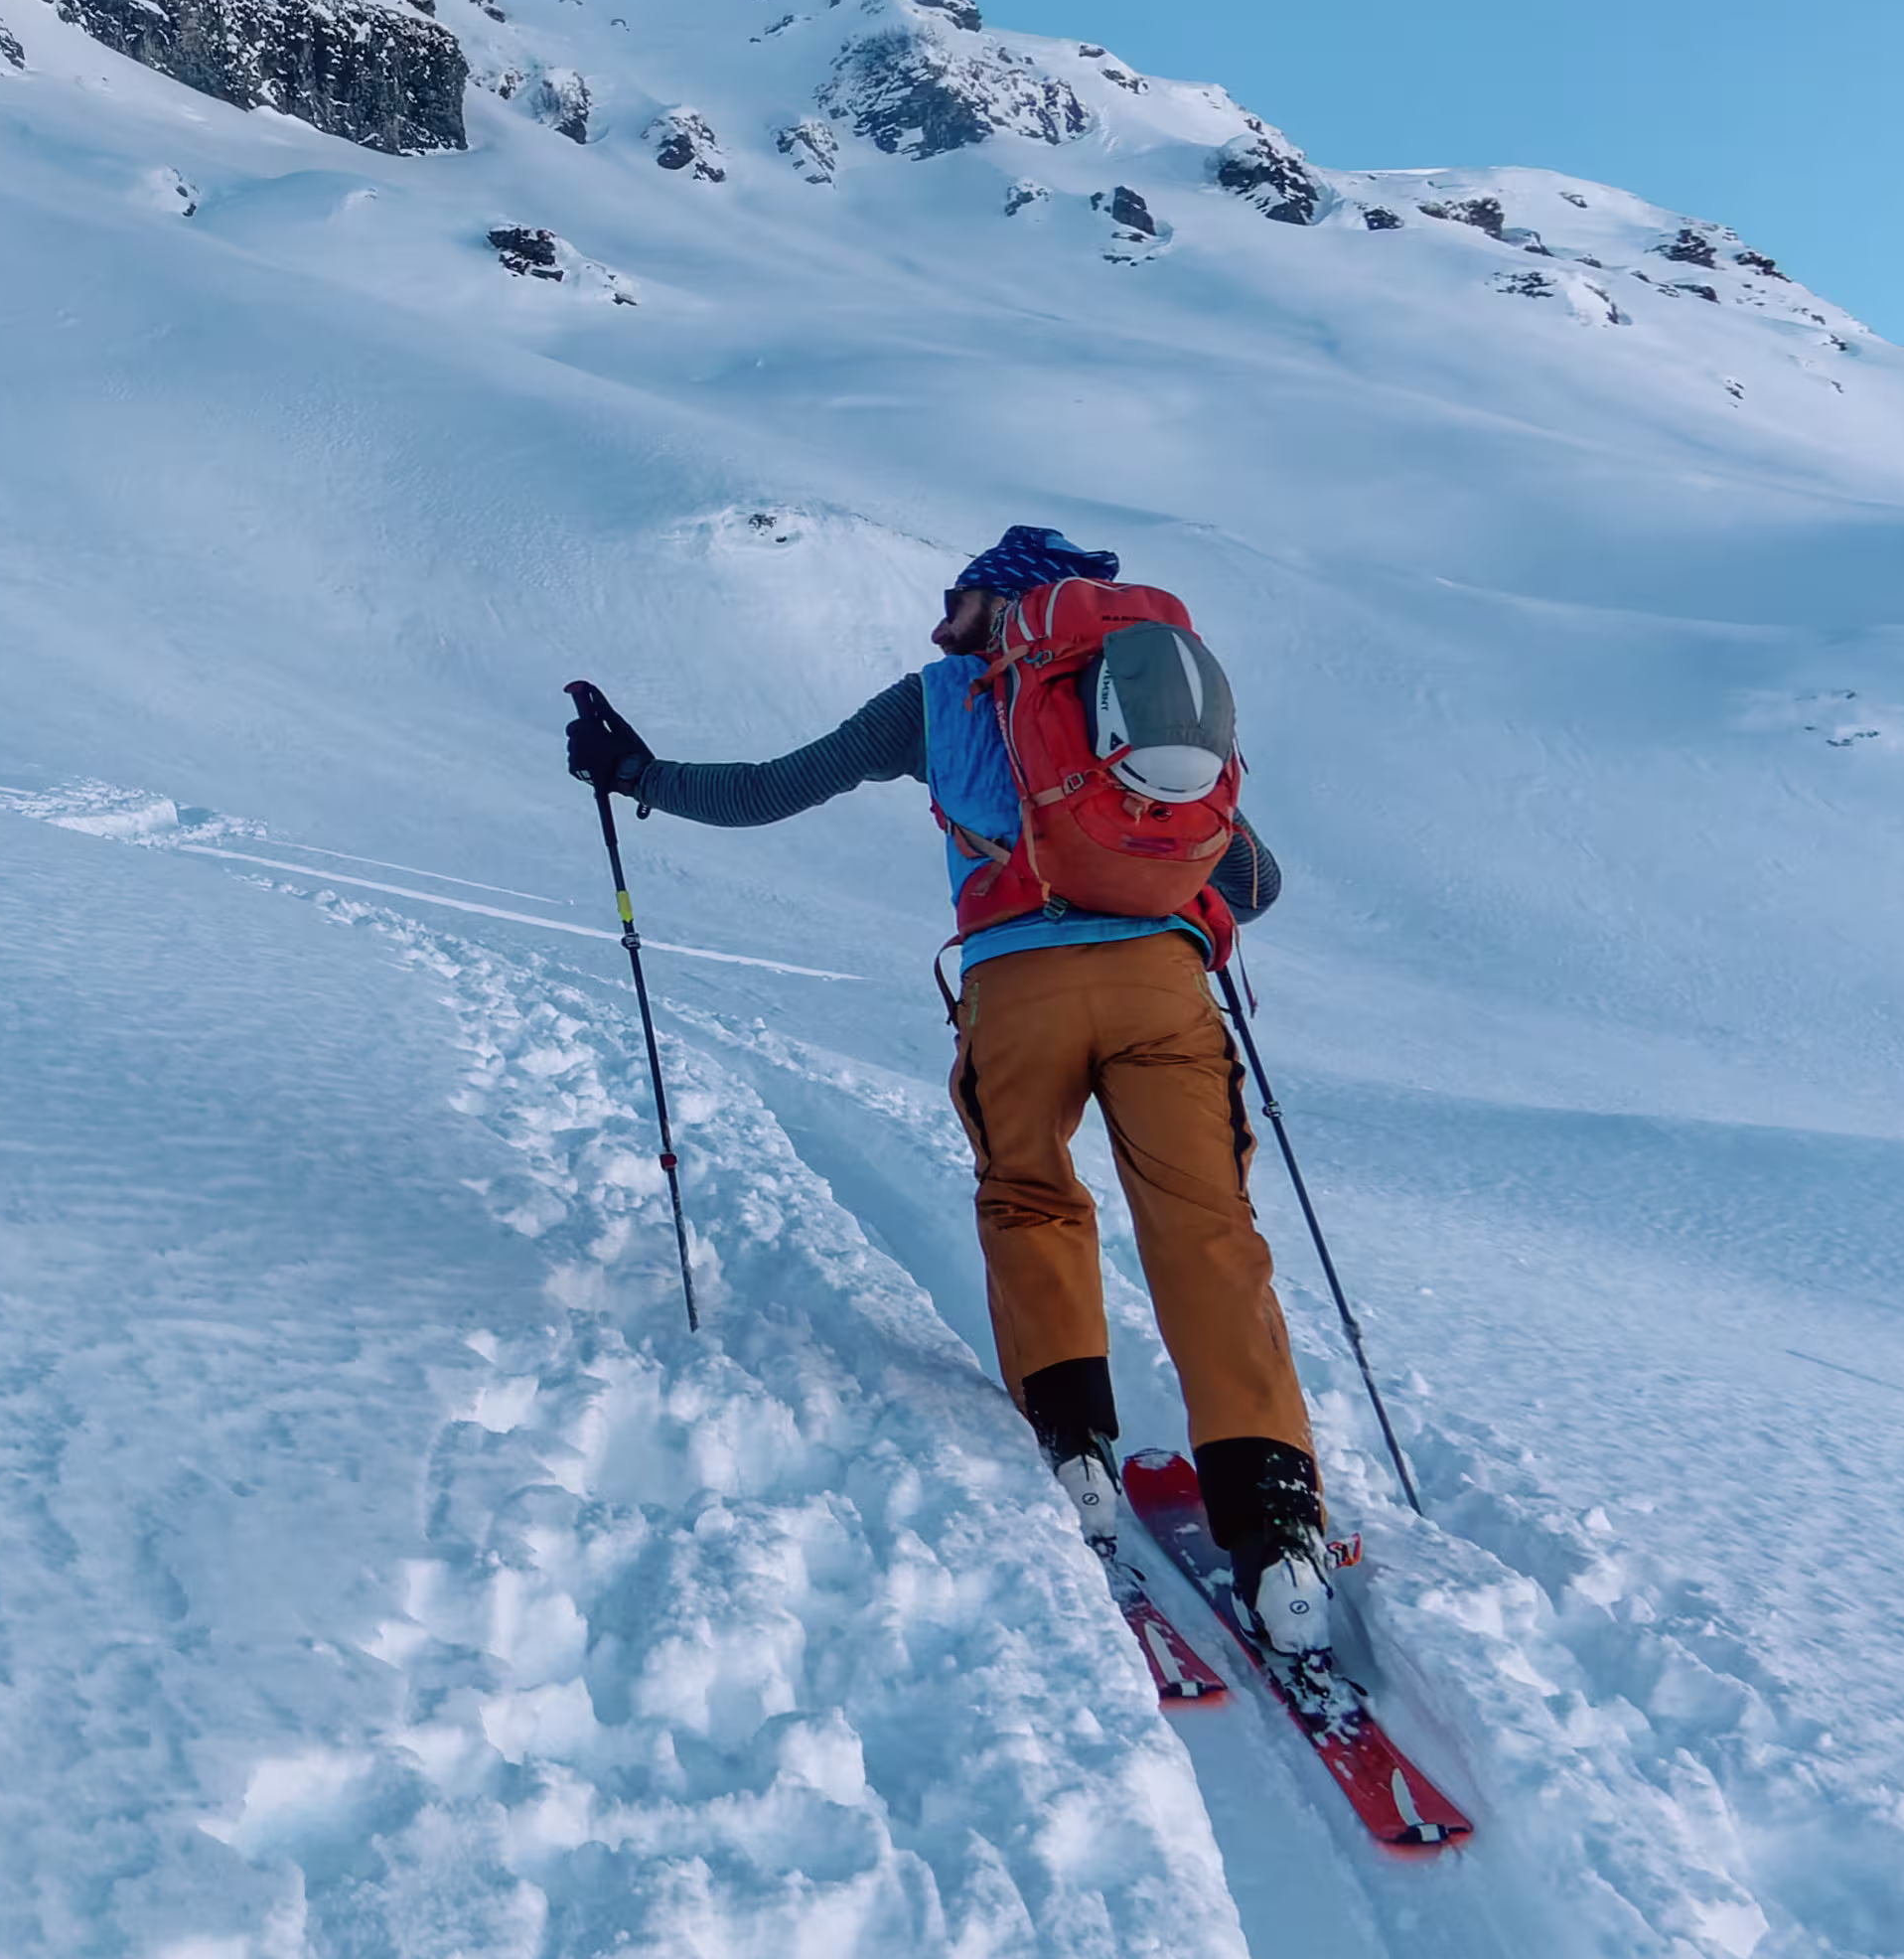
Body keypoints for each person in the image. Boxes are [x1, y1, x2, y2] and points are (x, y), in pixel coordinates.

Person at [564, 526, 1341, 1658]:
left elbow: (775, 789)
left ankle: (1077, 1458)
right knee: (1210, 1235)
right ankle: (1279, 1540)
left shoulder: (932, 703)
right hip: (1163, 988)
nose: (941, 620)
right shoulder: (1133, 707)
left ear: (1003, 603)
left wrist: (637, 775)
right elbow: (1256, 884)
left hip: (1015, 987)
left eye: (957, 597)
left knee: (1032, 1197)